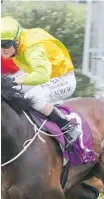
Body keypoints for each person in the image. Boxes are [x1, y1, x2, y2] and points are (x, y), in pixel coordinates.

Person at [1, 16, 81, 145]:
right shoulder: (15, 40)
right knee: (7, 89)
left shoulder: (32, 48)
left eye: (5, 44)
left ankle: (68, 127)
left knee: (34, 96)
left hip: (62, 78)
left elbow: (42, 75)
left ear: (16, 41)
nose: (2, 49)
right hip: (42, 75)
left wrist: (15, 81)